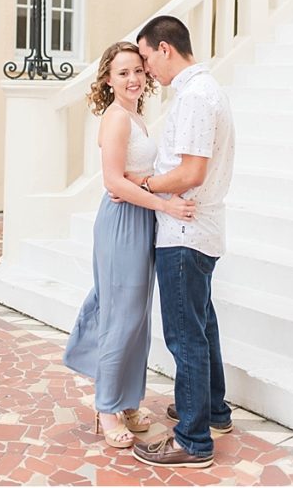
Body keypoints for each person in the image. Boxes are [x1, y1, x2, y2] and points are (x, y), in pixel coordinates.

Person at [64, 41, 195, 449]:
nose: (134, 78)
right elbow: (112, 181)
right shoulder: (117, 118)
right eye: (123, 73)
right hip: (122, 222)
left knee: (137, 317)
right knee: (120, 315)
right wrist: (164, 205)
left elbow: (132, 175)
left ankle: (128, 401)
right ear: (108, 79)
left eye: (138, 70)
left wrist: (145, 190)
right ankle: (107, 407)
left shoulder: (136, 117)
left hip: (142, 220)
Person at [127, 15, 235, 469]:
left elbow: (191, 172)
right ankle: (213, 411)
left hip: (185, 231)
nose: (147, 69)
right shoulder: (208, 90)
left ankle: (193, 440)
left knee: (184, 335)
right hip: (203, 229)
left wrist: (147, 185)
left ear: (165, 49)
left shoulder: (194, 97)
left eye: (148, 58)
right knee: (202, 324)